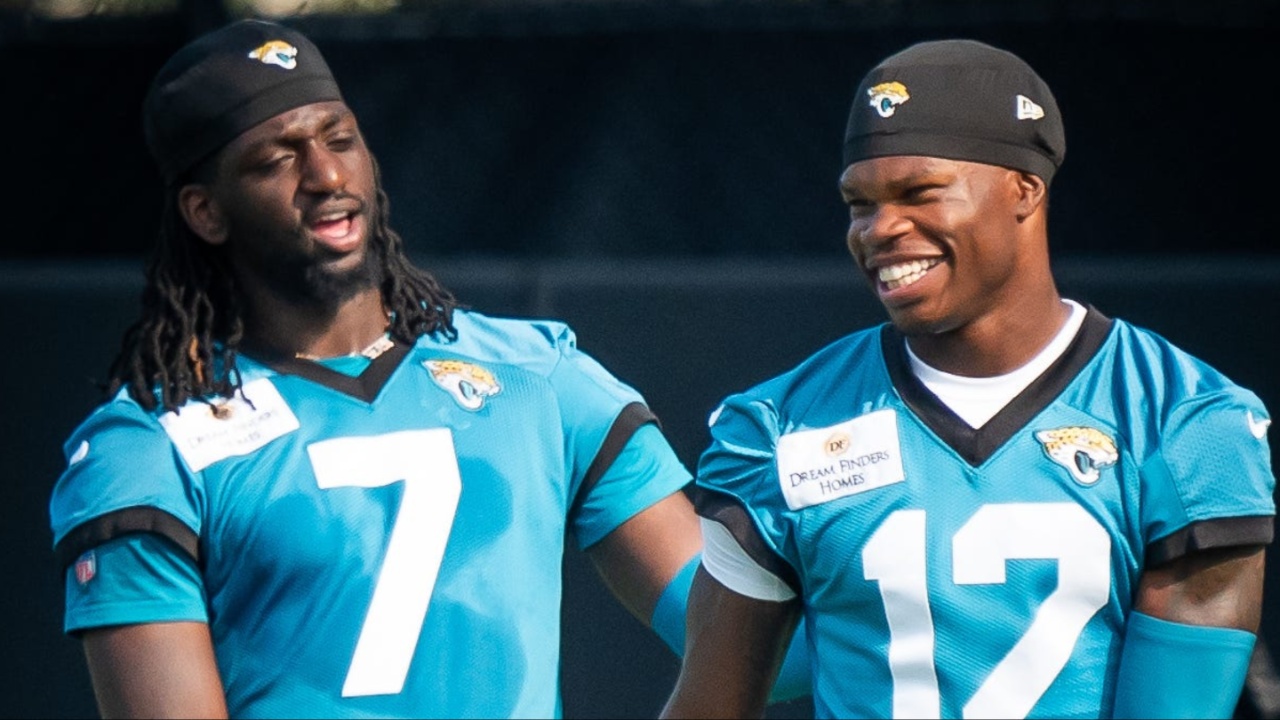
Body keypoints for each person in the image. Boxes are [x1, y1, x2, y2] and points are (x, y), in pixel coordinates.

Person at [46, 19, 809, 718]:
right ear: (205, 211)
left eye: (339, 138)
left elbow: (747, 653)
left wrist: (862, 542)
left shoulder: (540, 379)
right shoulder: (148, 450)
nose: (325, 175)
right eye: (277, 159)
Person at [662, 38, 1275, 719]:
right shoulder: (780, 428)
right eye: (859, 204)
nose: (879, 229)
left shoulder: (1182, 422)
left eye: (919, 193)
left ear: (1025, 188)